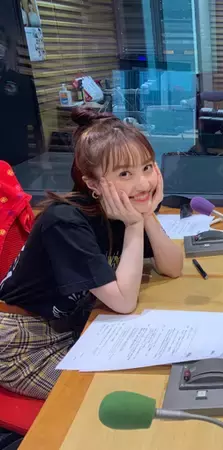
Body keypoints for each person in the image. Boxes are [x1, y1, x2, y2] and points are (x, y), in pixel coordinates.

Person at [0, 108, 184, 399]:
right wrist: (135, 225)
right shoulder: (65, 222)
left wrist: (147, 214)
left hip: (74, 326)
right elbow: (124, 302)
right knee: (117, 397)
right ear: (93, 183)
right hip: (22, 343)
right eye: (125, 173)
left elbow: (172, 267)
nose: (143, 183)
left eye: (147, 167)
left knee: (161, 376)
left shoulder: (122, 209)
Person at [0, 25, 43, 166]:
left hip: (17, 154)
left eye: (1, 42)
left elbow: (35, 123)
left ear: (6, 47)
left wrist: (41, 159)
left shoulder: (20, 82)